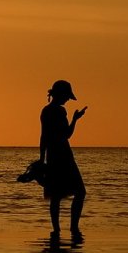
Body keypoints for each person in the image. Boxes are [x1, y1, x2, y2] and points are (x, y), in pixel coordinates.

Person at [39, 79, 87, 243]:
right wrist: (75, 119)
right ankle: (74, 227)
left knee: (56, 195)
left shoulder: (45, 111)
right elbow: (67, 134)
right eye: (67, 96)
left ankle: (56, 230)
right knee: (80, 192)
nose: (67, 100)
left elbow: (43, 137)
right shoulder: (60, 111)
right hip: (64, 155)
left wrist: (42, 159)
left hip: (52, 156)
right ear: (61, 95)